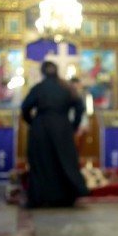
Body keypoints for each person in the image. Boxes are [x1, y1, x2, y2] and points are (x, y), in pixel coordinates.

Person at [21, 61, 89, 208]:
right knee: (64, 161)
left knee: (41, 163)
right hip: (62, 127)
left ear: (43, 72)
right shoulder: (67, 88)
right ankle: (65, 197)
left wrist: (33, 123)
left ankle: (40, 197)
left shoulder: (38, 88)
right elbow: (80, 107)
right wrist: (73, 126)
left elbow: (25, 107)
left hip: (41, 128)